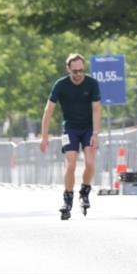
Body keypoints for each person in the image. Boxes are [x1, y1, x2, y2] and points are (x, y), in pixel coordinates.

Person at [40, 54, 101, 220]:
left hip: (89, 129)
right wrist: (44, 136)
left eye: (81, 70)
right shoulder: (61, 85)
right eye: (75, 71)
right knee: (71, 165)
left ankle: (84, 191)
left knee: (90, 163)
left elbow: (96, 109)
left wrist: (95, 133)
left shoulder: (92, 83)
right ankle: (67, 199)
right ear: (68, 69)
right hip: (70, 129)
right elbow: (48, 110)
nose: (79, 74)